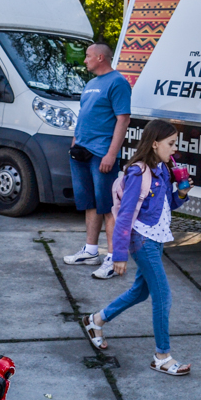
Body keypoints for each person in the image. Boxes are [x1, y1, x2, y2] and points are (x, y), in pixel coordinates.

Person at [81, 119, 192, 375]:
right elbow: (125, 214)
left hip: (157, 238)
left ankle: (95, 320)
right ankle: (162, 356)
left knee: (141, 292)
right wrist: (119, 254)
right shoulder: (138, 173)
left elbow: (165, 206)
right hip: (142, 241)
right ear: (154, 144)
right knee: (163, 296)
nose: (175, 149)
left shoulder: (163, 170)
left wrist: (182, 194)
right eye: (171, 144)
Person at [63, 43, 132, 279]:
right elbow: (85, 114)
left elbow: (123, 120)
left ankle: (113, 259)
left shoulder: (118, 82)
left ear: (100, 57)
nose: (85, 60)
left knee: (108, 206)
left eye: (88, 56)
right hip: (81, 150)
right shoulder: (91, 84)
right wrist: (75, 141)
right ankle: (91, 251)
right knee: (90, 203)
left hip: (102, 153)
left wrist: (111, 154)